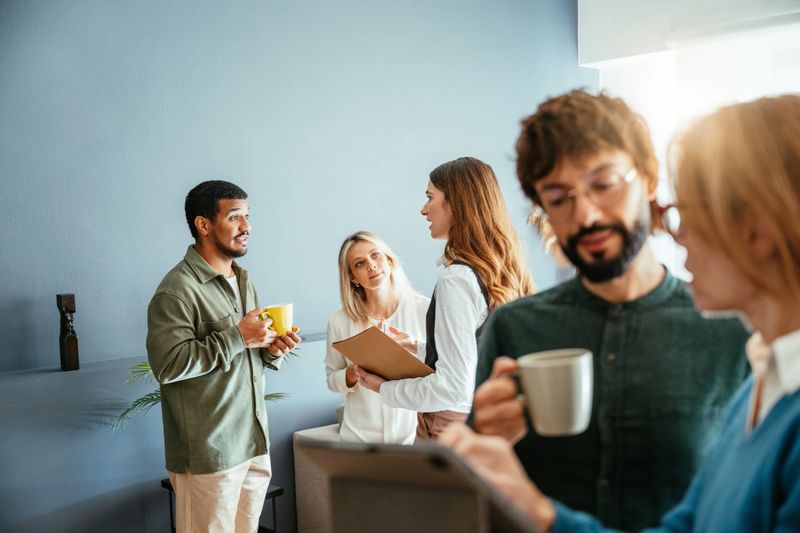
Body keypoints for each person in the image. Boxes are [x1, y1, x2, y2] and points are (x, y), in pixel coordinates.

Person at [443, 93, 800, 533]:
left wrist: (542, 516)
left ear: (758, 231)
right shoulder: (765, 381)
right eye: (558, 197)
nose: (676, 229)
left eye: (604, 184)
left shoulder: (743, 347)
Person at [146, 180, 301, 533]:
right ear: (204, 224)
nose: (247, 227)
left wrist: (271, 350)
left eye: (247, 216)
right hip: (209, 456)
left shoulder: (243, 280)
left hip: (253, 444)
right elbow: (168, 365)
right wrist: (237, 336)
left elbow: (244, 355)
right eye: (235, 217)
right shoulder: (176, 291)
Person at [357, 157, 534, 439]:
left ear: (456, 205)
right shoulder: (503, 268)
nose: (423, 210)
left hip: (449, 425)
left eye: (430, 198)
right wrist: (418, 347)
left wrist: (383, 388)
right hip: (491, 421)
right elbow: (476, 352)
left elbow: (452, 387)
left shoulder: (457, 279)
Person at [325, 231, 430, 443]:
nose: (371, 265)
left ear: (389, 261)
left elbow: (442, 369)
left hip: (412, 438)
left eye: (376, 256)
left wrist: (414, 349)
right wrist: (352, 373)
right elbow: (331, 378)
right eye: (359, 263)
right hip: (359, 439)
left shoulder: (424, 309)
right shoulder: (340, 321)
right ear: (353, 278)